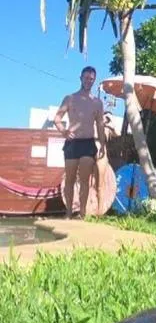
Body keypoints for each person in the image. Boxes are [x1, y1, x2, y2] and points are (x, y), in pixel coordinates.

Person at [52, 66, 107, 219]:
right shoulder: (69, 98)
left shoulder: (97, 102)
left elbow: (100, 125)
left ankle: (82, 213)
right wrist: (64, 131)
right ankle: (68, 212)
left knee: (84, 181)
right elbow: (57, 119)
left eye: (91, 79)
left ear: (94, 81)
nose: (88, 81)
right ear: (80, 78)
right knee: (69, 179)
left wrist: (102, 144)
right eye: (86, 78)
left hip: (88, 144)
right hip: (72, 143)